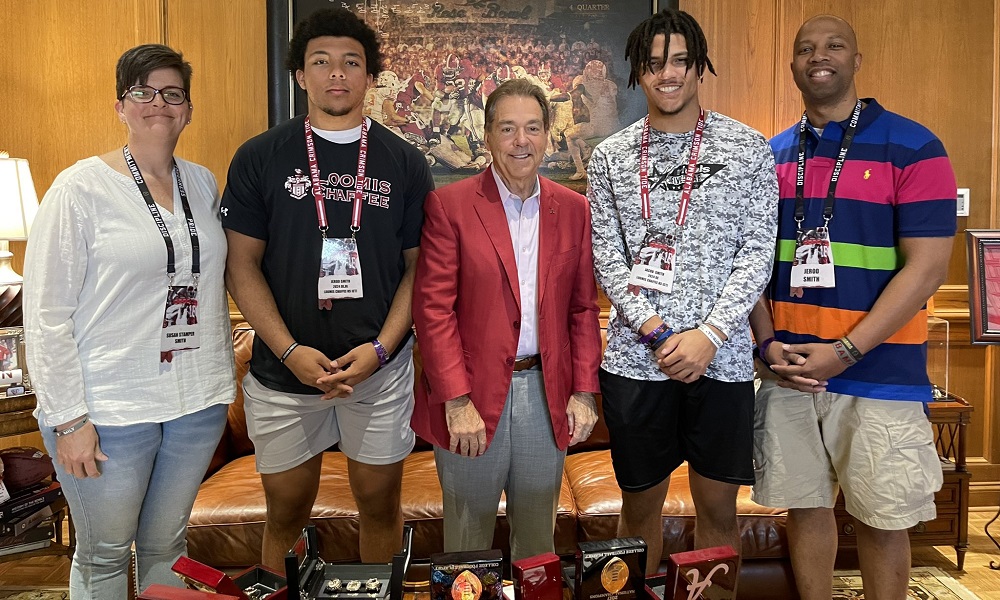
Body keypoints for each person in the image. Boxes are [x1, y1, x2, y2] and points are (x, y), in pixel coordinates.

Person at [750, 15, 956, 600]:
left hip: (879, 375)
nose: (820, 56)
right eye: (805, 49)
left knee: (884, 519)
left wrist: (844, 352)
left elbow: (928, 269)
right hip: (790, 373)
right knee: (806, 509)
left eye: (834, 45)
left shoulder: (915, 146)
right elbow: (753, 270)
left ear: (857, 60)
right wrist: (768, 346)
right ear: (793, 65)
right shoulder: (771, 156)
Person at [221, 7, 434, 569]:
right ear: (300, 75)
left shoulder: (405, 162)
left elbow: (420, 269)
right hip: (284, 373)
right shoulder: (259, 157)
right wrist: (289, 351)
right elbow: (240, 267)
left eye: (351, 62)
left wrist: (382, 350)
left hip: (379, 372)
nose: (336, 74)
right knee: (285, 513)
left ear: (369, 77)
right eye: (321, 62)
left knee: (381, 506)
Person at [22, 44, 234, 597]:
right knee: (106, 554)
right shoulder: (80, 190)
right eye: (143, 91)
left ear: (188, 108)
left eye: (172, 93)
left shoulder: (203, 183)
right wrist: (69, 421)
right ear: (121, 105)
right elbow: (45, 316)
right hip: (110, 409)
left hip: (196, 402)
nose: (157, 103)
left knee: (168, 546)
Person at [587, 9, 778, 574]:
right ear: (637, 74)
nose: (666, 74)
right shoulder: (610, 157)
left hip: (721, 361)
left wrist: (710, 335)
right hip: (636, 361)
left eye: (678, 61)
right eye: (652, 64)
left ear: (699, 66)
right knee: (639, 503)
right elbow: (608, 257)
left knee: (718, 507)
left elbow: (757, 252)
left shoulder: (747, 148)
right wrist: (659, 333)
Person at [412, 79, 602, 561]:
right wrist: (455, 400)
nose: (522, 141)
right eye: (509, 128)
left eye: (533, 128)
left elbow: (582, 309)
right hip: (471, 399)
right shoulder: (450, 206)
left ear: (547, 134)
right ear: (489, 135)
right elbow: (433, 311)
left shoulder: (575, 208)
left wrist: (583, 391)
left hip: (547, 393)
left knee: (537, 544)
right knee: (467, 545)